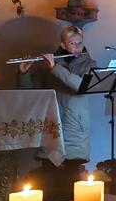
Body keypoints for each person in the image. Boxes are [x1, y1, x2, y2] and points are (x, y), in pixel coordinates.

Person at [17, 26, 98, 169]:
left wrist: (55, 68)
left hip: (75, 130)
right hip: (52, 127)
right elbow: (32, 94)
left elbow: (81, 87)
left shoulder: (89, 65)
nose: (77, 47)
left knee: (72, 175)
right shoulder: (49, 63)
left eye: (80, 43)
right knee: (49, 175)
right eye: (72, 43)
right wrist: (24, 74)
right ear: (63, 45)